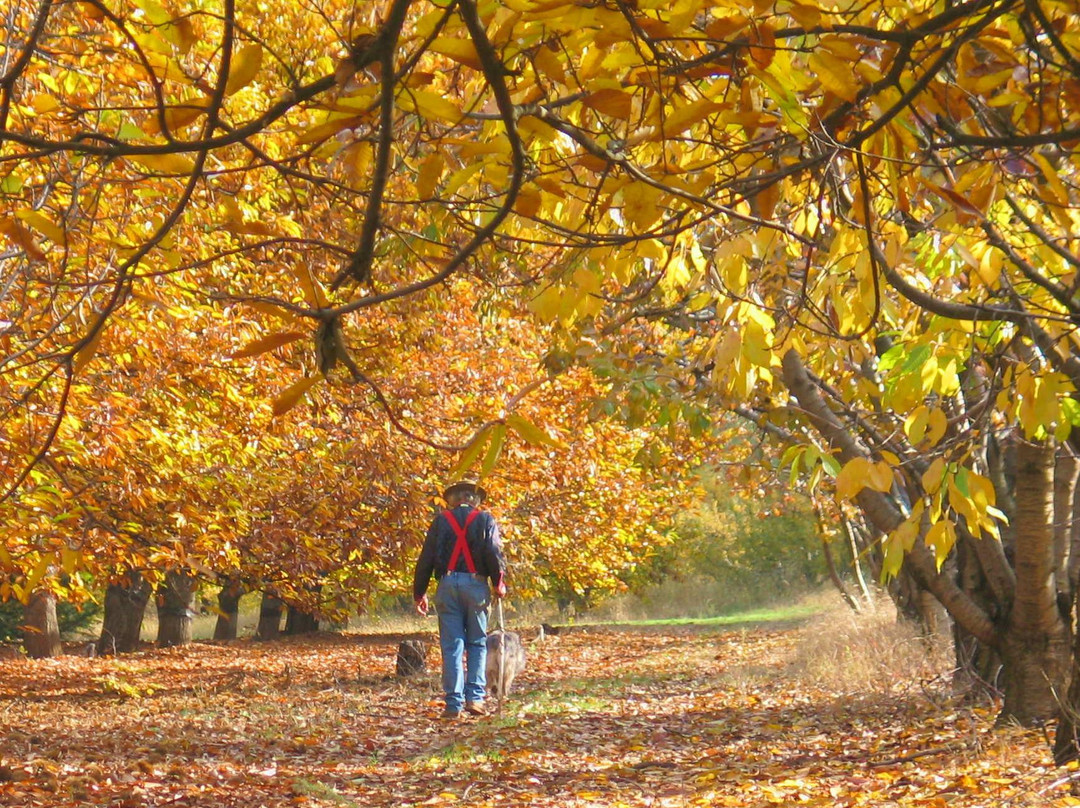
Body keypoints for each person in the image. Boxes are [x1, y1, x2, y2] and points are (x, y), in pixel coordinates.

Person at [413, 480, 507, 719]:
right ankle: (475, 698)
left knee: (452, 645)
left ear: (452, 500)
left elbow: (426, 558)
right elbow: (493, 553)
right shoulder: (486, 520)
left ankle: (453, 704)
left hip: (446, 583)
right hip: (476, 584)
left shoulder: (441, 521)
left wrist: (419, 592)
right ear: (475, 500)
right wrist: (499, 581)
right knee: (476, 642)